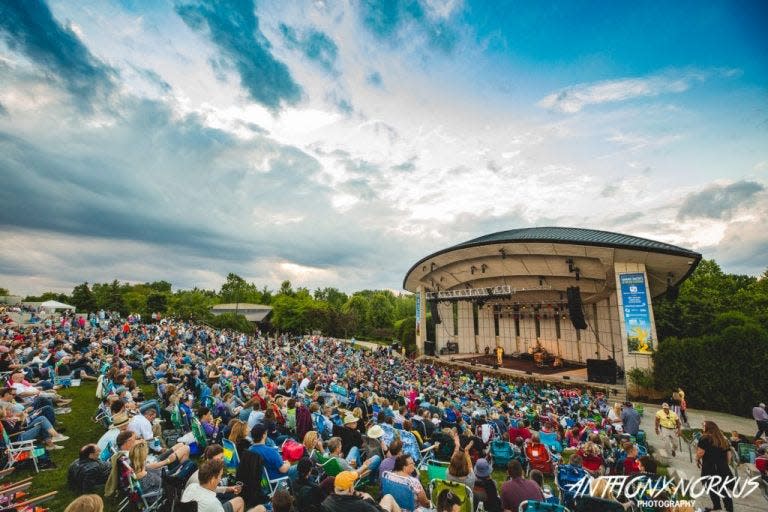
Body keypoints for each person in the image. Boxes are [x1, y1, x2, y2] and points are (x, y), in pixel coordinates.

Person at [181, 459, 252, 512]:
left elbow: (215, 489)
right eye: (220, 476)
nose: (220, 479)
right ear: (212, 480)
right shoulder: (213, 503)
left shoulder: (192, 486)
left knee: (239, 501)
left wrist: (230, 488)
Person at [696, 420, 734, 512]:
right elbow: (729, 456)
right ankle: (729, 509)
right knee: (723, 489)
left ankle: (717, 506)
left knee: (711, 487)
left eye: (703, 425)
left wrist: (697, 459)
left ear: (708, 427)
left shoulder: (704, 438)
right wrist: (725, 465)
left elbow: (700, 453)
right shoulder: (723, 439)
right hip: (723, 468)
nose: (702, 427)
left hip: (709, 467)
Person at [320, 470, 401, 512]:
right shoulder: (361, 505)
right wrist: (370, 501)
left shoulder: (327, 501)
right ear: (350, 488)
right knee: (388, 497)